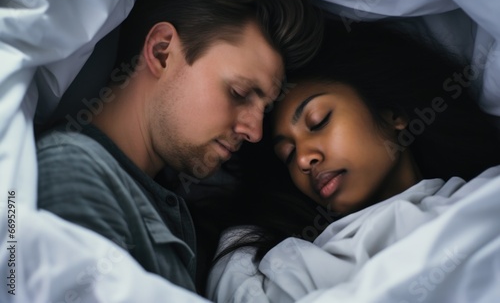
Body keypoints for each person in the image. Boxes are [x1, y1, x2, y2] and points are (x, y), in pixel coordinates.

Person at [35, 0, 323, 295]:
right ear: (162, 52)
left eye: (264, 109)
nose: (255, 132)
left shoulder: (157, 198)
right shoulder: (73, 174)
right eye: (239, 93)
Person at [205, 18, 500, 302]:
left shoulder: (484, 196)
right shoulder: (288, 266)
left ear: (392, 116)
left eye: (318, 121)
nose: (305, 160)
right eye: (289, 155)